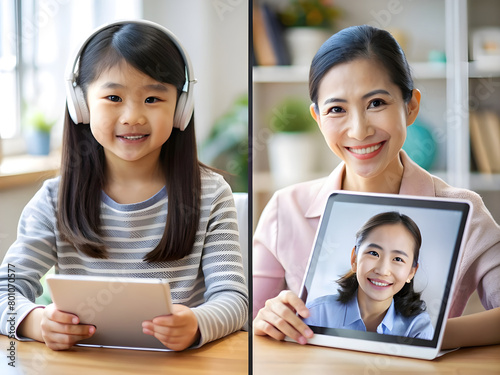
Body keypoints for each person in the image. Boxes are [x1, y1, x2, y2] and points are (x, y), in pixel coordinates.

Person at [0, 20, 248, 351]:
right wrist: (35, 321)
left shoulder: (210, 195)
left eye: (153, 98)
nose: (132, 116)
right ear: (81, 104)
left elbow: (234, 299)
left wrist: (197, 324)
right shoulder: (54, 200)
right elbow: (6, 290)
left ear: (181, 108)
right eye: (114, 96)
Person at [253, 25, 500, 349]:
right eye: (337, 109)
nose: (358, 130)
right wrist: (265, 318)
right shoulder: (286, 209)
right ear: (317, 117)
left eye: (377, 103)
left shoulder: (466, 212)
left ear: (410, 106)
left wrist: (423, 338)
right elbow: (249, 324)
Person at [303, 212, 434, 340]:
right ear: (354, 259)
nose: (383, 271)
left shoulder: (417, 327)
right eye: (373, 253)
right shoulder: (316, 314)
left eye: (398, 259)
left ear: (411, 272)